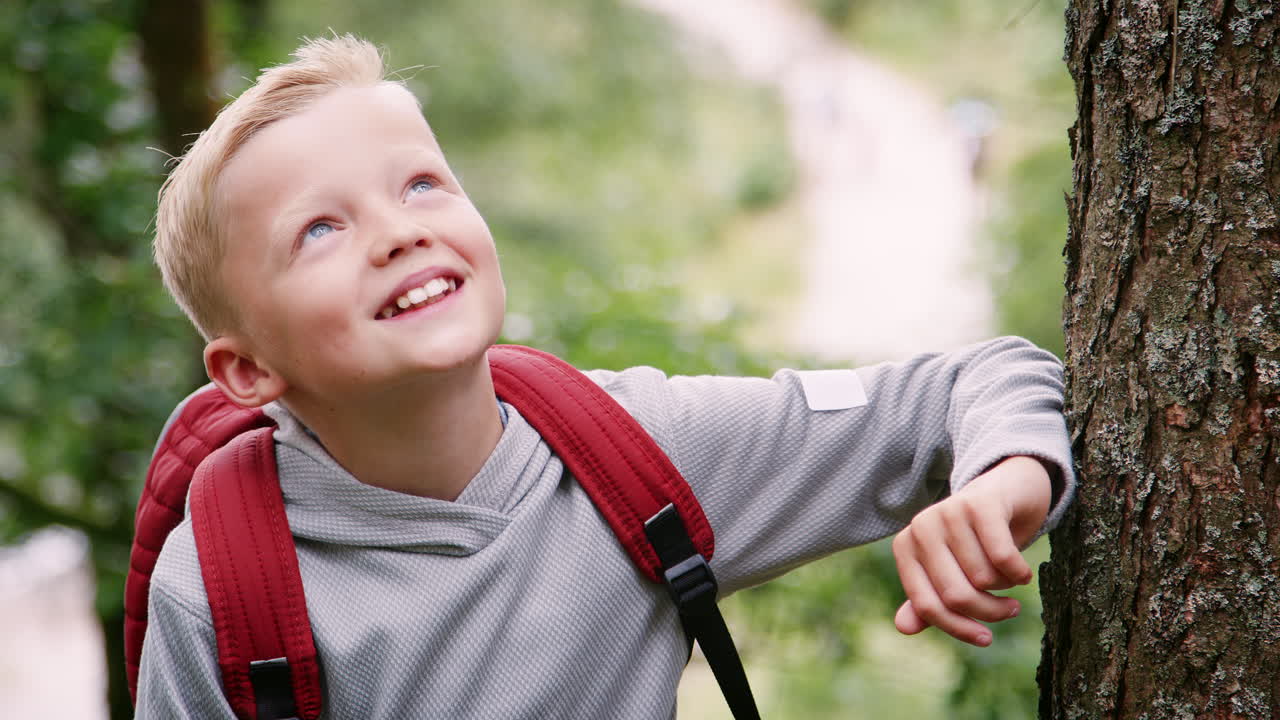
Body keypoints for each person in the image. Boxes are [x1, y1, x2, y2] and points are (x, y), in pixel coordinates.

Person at [136, 34, 1075, 718]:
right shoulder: (221, 591)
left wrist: (1006, 481)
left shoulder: (632, 453)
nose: (399, 231)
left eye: (421, 184)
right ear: (248, 370)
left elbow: (973, 383)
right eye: (320, 230)